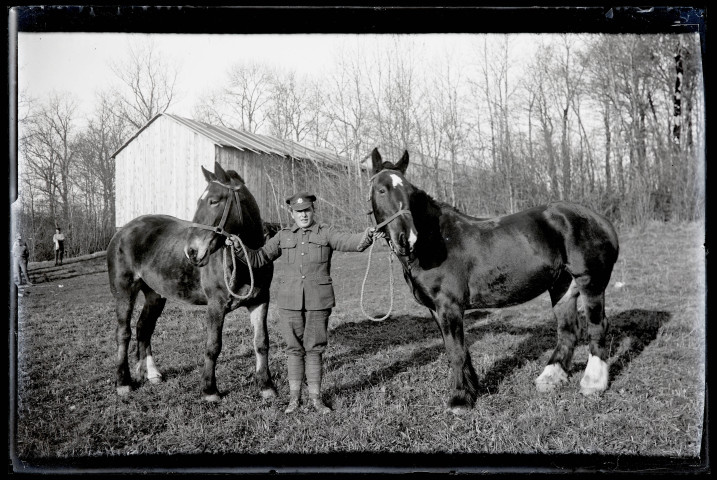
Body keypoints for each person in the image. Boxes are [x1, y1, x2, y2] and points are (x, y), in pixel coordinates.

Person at [227, 192, 384, 414]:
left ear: (313, 211)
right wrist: (238, 247)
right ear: (291, 214)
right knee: (293, 349)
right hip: (289, 302)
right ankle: (294, 399)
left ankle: (316, 399)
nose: (303, 215)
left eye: (307, 211)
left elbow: (350, 242)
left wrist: (366, 236)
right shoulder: (283, 236)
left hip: (318, 301)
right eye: (298, 212)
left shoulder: (326, 232)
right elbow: (259, 258)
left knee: (314, 349)